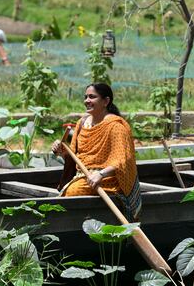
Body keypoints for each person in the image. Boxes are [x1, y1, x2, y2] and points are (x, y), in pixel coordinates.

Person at [51, 83, 142, 220]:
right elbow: (75, 156)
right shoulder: (82, 123)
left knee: (73, 192)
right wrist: (62, 150)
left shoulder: (116, 126)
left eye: (92, 97)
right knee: (72, 190)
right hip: (84, 176)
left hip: (107, 179)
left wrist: (100, 174)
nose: (87, 100)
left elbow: (123, 159)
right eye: (86, 97)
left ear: (106, 101)